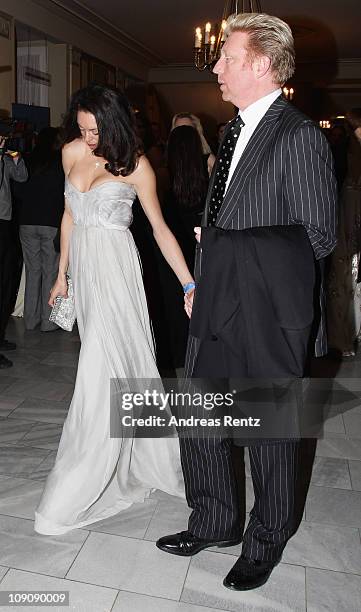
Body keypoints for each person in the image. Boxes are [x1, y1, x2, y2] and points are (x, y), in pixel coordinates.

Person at [156, 13, 337, 592]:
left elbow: (318, 235)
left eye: (225, 57)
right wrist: (202, 286)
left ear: (260, 64)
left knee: (268, 433)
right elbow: (216, 220)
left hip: (265, 314)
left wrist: (230, 253)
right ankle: (213, 520)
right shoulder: (233, 130)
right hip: (215, 303)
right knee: (201, 419)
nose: (215, 66)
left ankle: (265, 541)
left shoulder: (300, 136)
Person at [34, 84, 194, 535]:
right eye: (82, 128)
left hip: (119, 273)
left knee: (108, 368)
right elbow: (69, 215)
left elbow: (161, 230)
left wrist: (189, 282)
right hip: (86, 273)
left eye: (94, 129)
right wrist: (62, 273)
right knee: (112, 366)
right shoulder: (70, 152)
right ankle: (130, 453)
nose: (87, 137)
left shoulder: (137, 166)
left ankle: (85, 473)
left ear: (115, 123)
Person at [155, 125, 210, 368]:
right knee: (199, 299)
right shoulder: (206, 171)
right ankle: (199, 351)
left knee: (171, 304)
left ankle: (176, 354)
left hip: (170, 247)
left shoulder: (163, 174)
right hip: (199, 243)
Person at [16, 127, 64, 332]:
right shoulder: (59, 163)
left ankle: (29, 319)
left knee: (33, 271)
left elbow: (18, 189)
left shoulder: (27, 159)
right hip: (51, 223)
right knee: (51, 271)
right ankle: (48, 321)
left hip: (26, 222)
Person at [327, 109, 361, 356]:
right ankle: (344, 337)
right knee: (345, 274)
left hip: (349, 216)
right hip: (346, 218)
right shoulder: (342, 151)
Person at [0, 136, 28, 368]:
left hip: (5, 221)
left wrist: (15, 156)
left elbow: (22, 177)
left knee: (6, 283)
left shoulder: (6, 158)